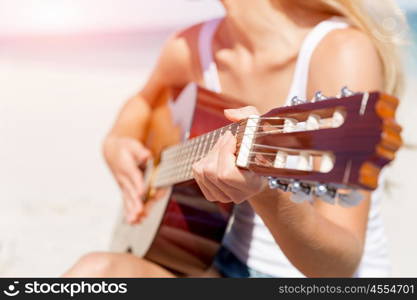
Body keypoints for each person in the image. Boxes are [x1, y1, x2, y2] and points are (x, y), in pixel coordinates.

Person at [64, 0, 405, 278]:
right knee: (93, 273)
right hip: (216, 260)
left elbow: (338, 267)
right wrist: (117, 138)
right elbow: (143, 100)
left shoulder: (340, 51)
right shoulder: (191, 45)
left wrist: (265, 194)